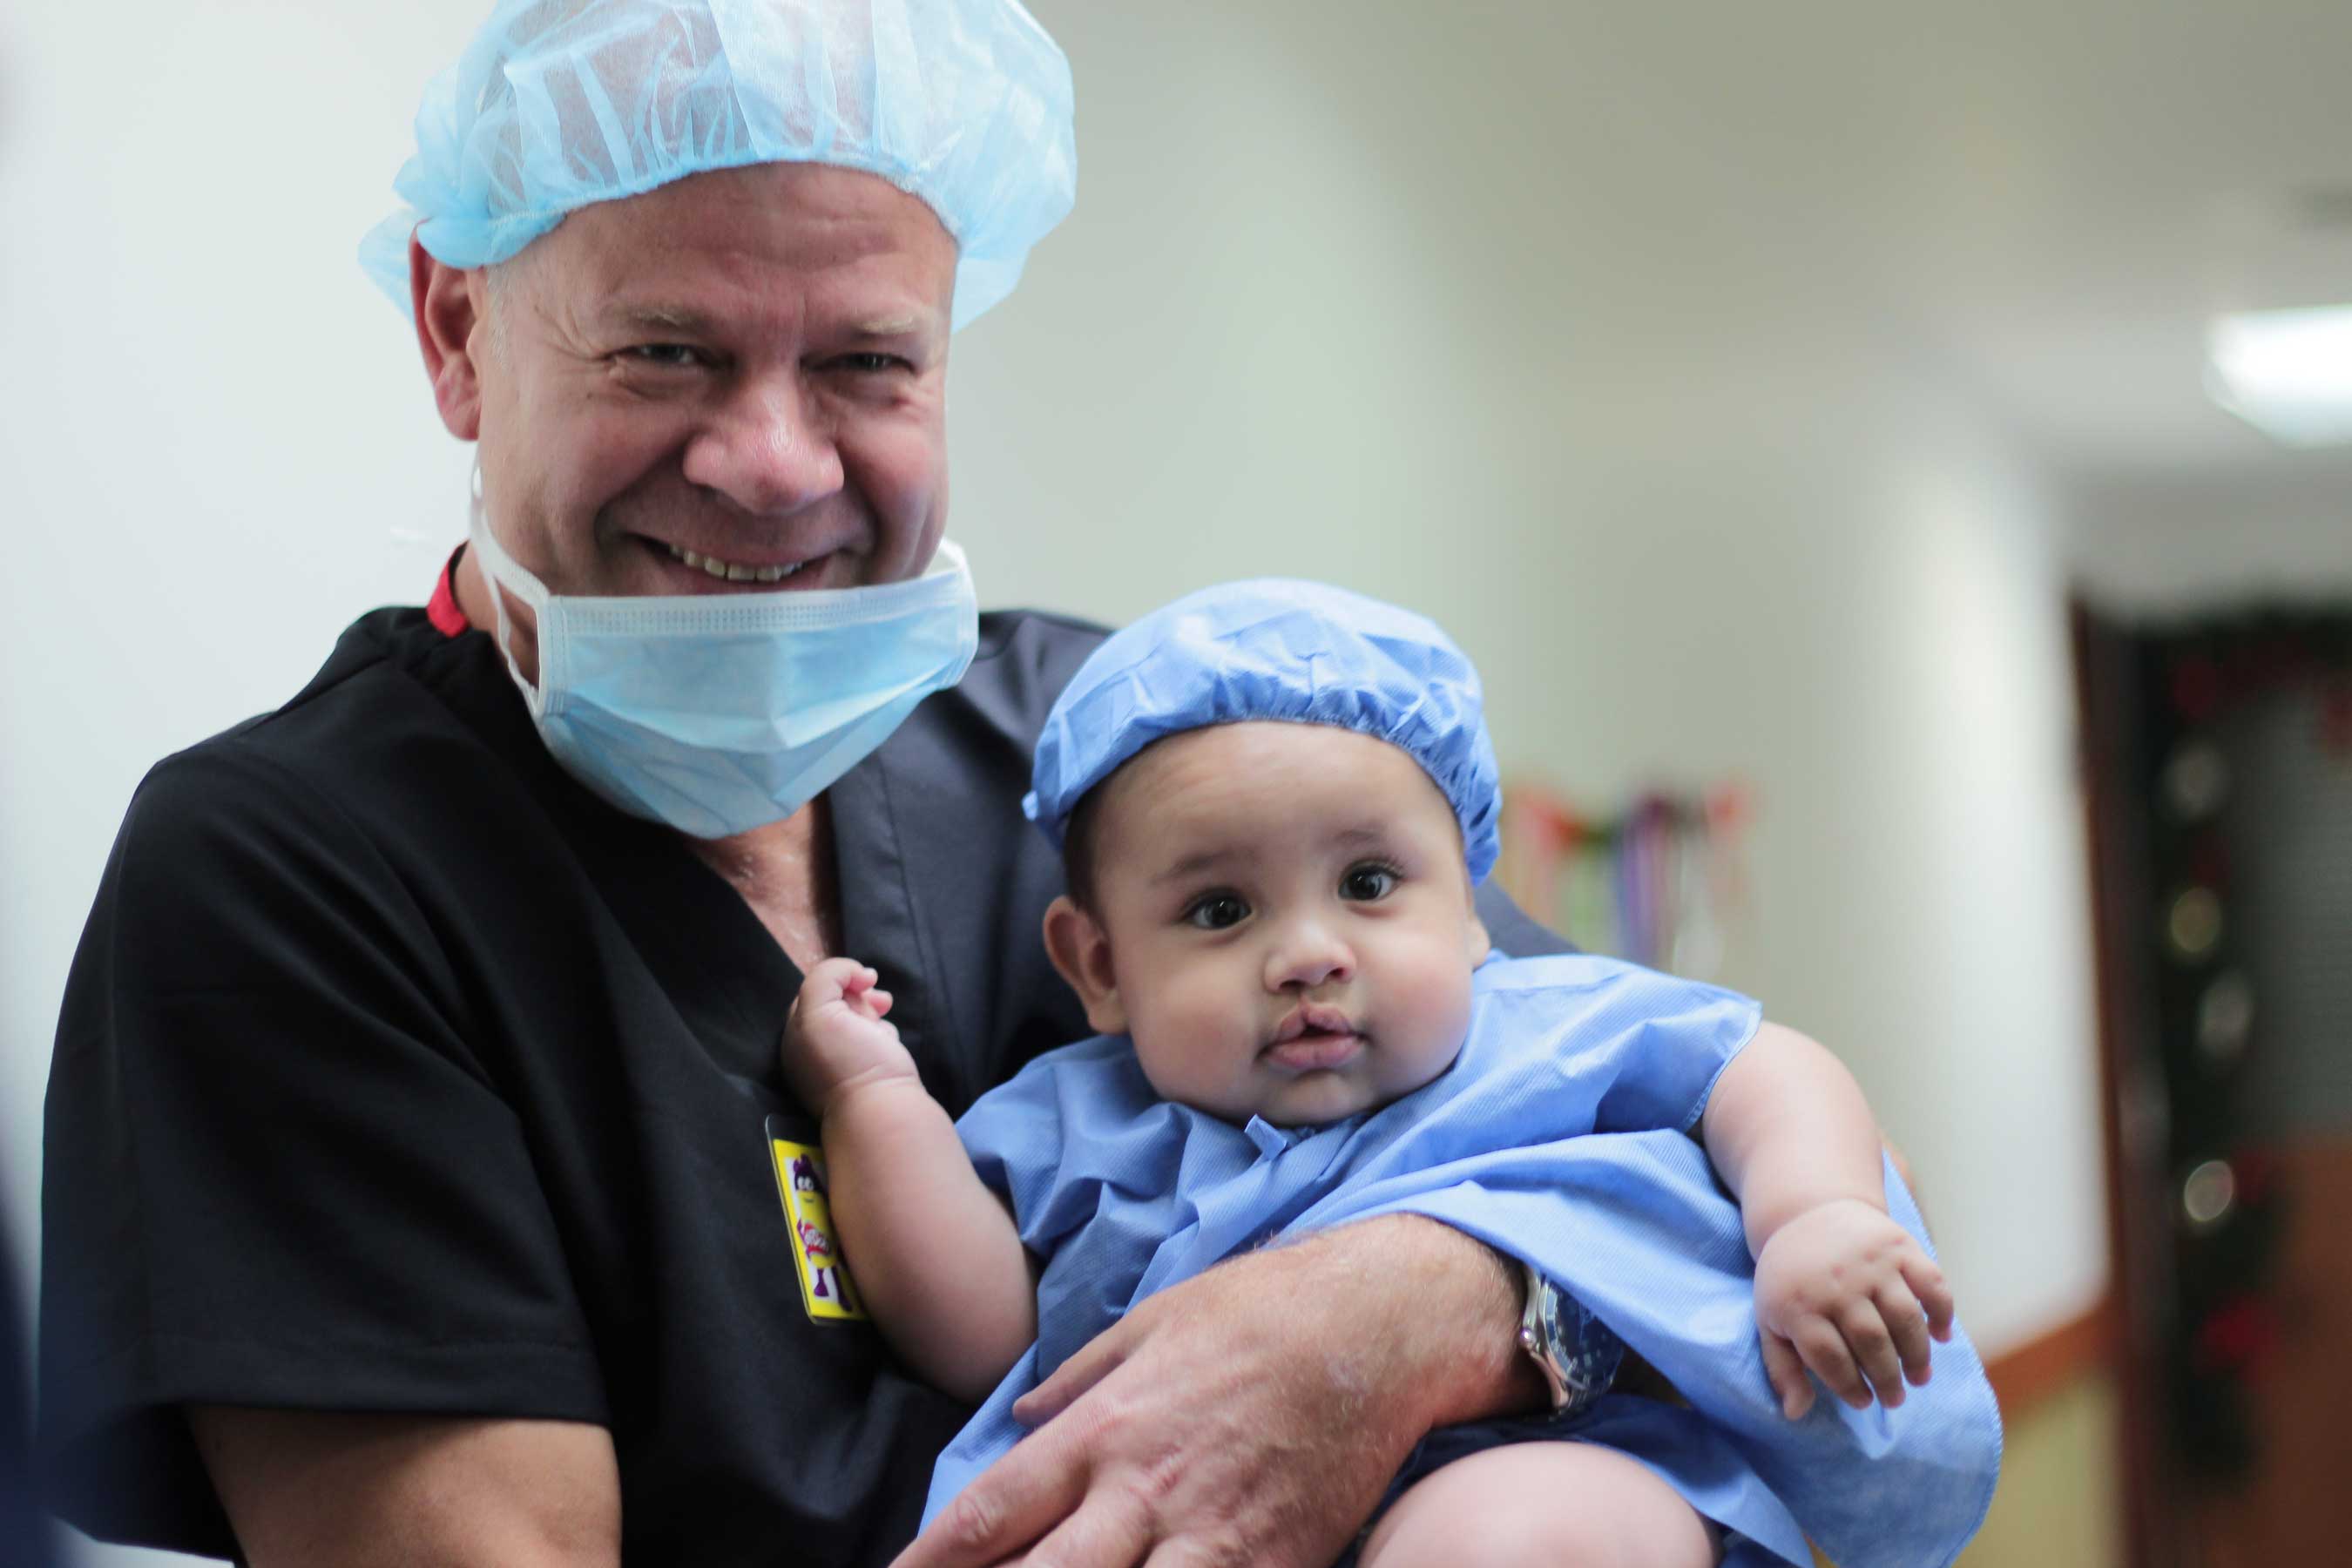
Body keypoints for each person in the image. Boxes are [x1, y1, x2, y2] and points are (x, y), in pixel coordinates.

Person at [37, 4, 1619, 1565]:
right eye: (667, 352)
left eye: (867, 363)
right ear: (457, 332)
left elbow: (1671, 1123)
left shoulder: (1127, 763)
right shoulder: (304, 875)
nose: (776, 462)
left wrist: (1408, 1313)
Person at [783, 579, 2002, 1568]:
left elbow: (1757, 1066)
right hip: (1189, 1525)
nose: (1307, 955)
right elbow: (979, 1331)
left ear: (1470, 908)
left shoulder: (1543, 1029)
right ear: (1099, 966)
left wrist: (1812, 1212)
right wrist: (873, 1101)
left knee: (1507, 1541)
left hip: (1545, 1474)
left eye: (1368, 884)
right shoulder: (1082, 1120)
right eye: (1220, 909)